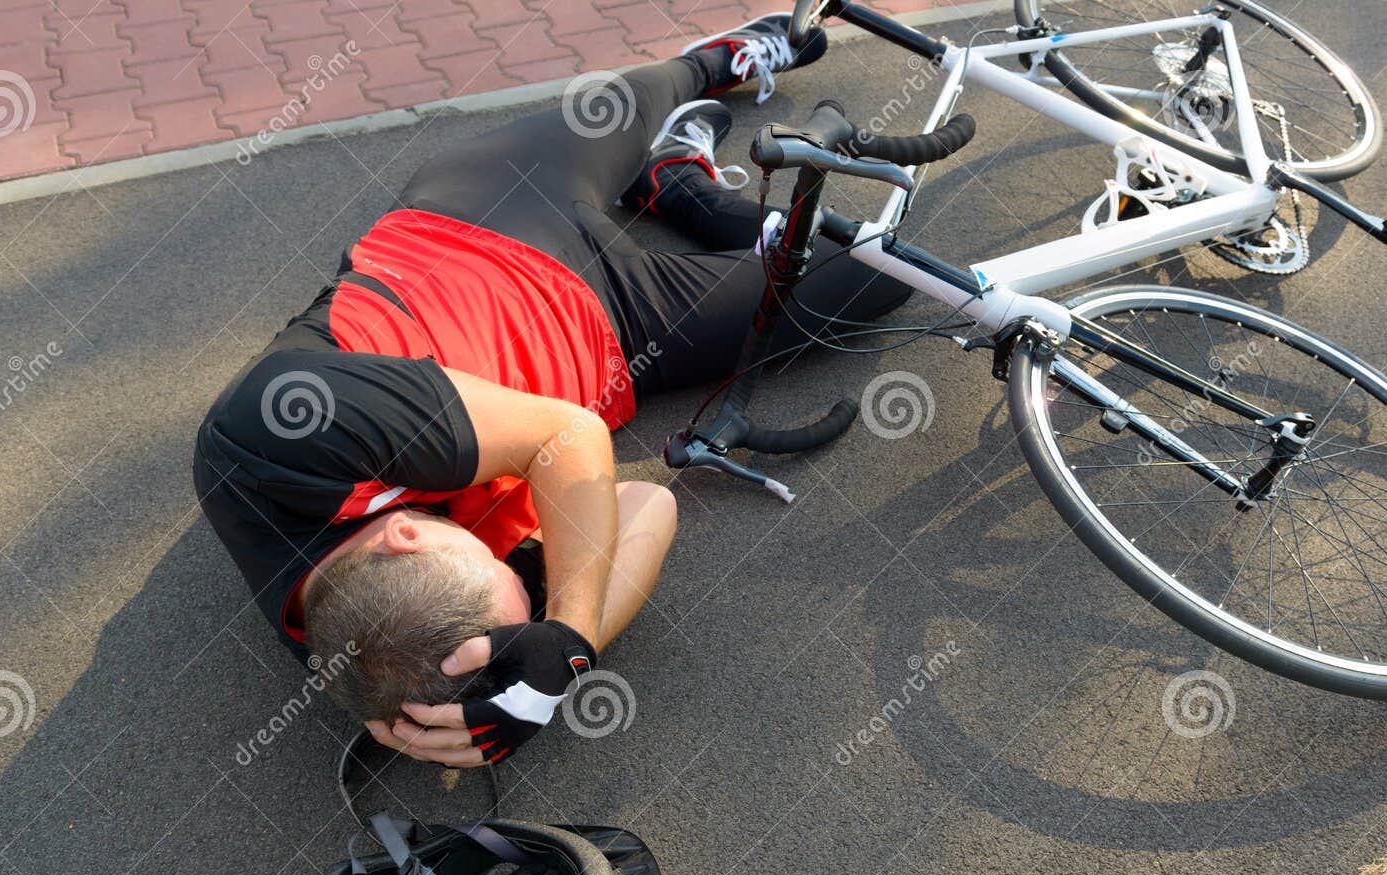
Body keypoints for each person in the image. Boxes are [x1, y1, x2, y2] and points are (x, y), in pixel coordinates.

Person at [194, 13, 911, 768]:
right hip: (626, 329)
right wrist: (561, 664)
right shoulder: (402, 644)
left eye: (495, 567)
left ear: (403, 537)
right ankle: (680, 189)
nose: (516, 568)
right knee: (877, 272)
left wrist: (564, 632)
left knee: (639, 96)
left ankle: (713, 62)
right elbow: (647, 504)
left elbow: (563, 438)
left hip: (484, 216)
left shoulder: (267, 435)